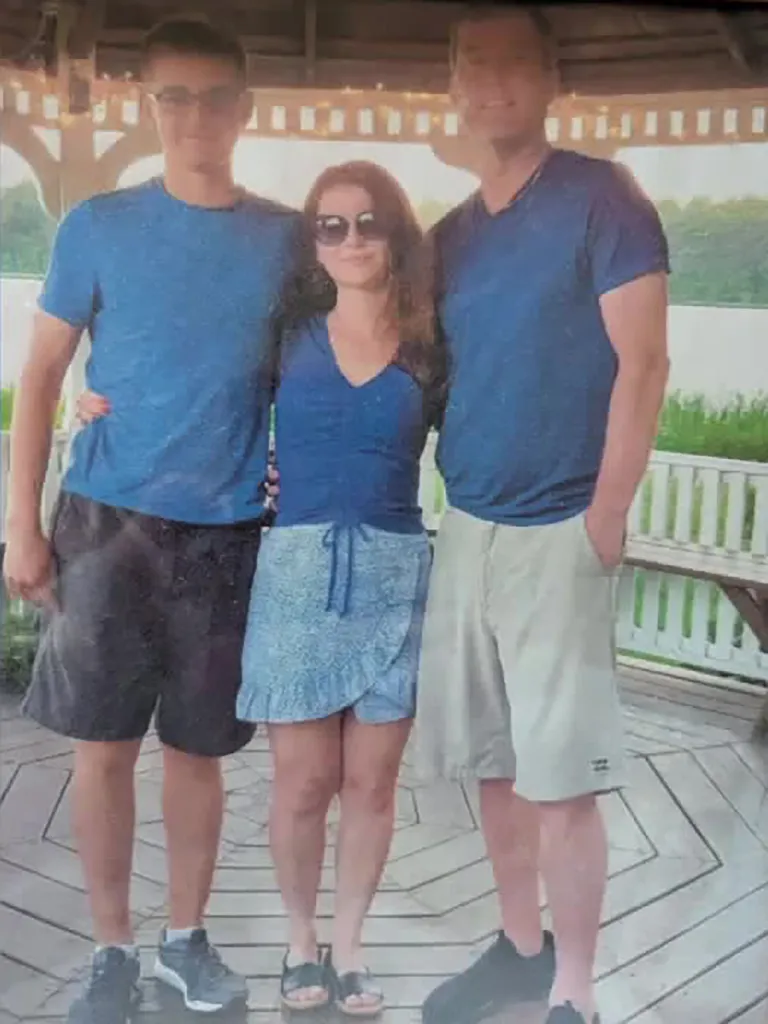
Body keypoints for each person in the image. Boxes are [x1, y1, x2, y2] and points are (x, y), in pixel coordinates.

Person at [76, 160, 441, 1018]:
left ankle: (349, 947)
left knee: (374, 786)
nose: (350, 240)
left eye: (368, 222)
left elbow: (487, 431)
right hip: (296, 573)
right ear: (311, 242)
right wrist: (92, 401)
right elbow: (196, 378)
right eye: (330, 225)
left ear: (396, 231)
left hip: (395, 573)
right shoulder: (288, 334)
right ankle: (301, 943)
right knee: (304, 784)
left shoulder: (433, 346)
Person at [2, 17, 300, 1024]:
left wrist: (291, 477)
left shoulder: (288, 236)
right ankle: (109, 951)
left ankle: (183, 940)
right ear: (148, 106)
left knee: (199, 751)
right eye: (173, 96)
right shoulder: (97, 223)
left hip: (225, 535)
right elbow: (41, 374)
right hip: (105, 522)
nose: (194, 115)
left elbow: (320, 376)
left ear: (245, 109)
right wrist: (22, 526)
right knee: (101, 749)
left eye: (215, 95)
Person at [416, 7, 670, 1024]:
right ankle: (520, 948)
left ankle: (574, 988)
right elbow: (404, 371)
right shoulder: (447, 238)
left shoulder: (603, 199)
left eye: (514, 62)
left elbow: (644, 363)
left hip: (559, 525)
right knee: (493, 765)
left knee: (562, 781)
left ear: (551, 76)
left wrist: (606, 513)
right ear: (455, 87)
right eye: (473, 66)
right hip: (467, 525)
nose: (493, 82)